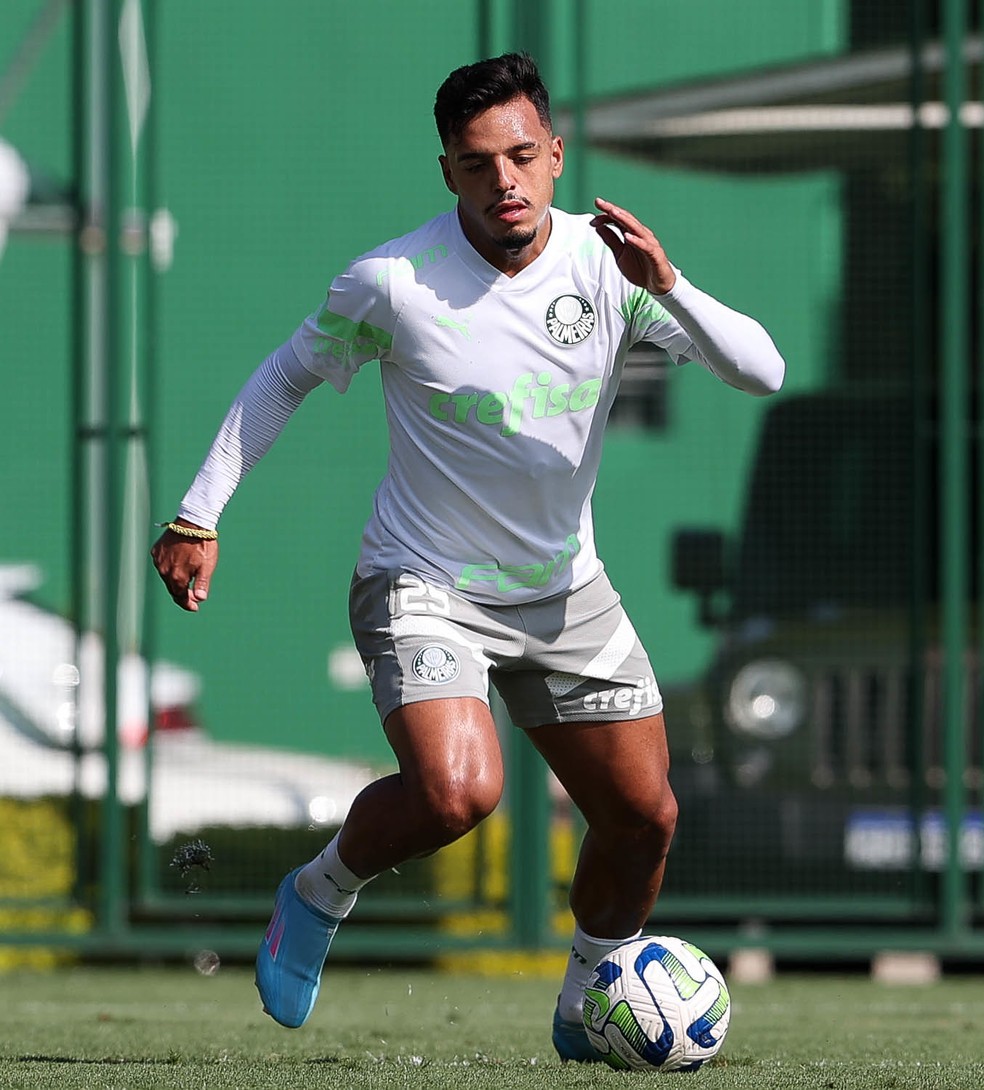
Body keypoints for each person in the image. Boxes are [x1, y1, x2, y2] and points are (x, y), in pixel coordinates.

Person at [150, 52, 784, 1060]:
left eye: (524, 157)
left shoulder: (609, 268)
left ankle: (586, 1000)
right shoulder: (393, 283)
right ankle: (318, 891)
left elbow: (763, 369)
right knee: (457, 790)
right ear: (448, 171)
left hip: (564, 591)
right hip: (423, 583)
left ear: (556, 155)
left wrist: (668, 282)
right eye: (480, 164)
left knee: (645, 817)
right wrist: (197, 514)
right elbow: (284, 376)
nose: (506, 184)